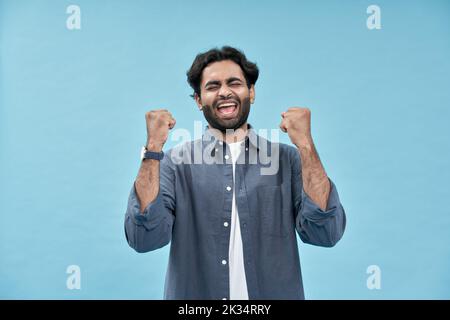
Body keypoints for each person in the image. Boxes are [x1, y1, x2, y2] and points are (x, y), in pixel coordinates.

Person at [124, 46, 346, 300]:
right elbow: (143, 239)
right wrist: (153, 148)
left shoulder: (288, 160)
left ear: (251, 92)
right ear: (198, 100)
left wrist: (305, 145)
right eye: (212, 86)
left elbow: (326, 233)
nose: (225, 92)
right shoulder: (173, 164)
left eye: (234, 83)